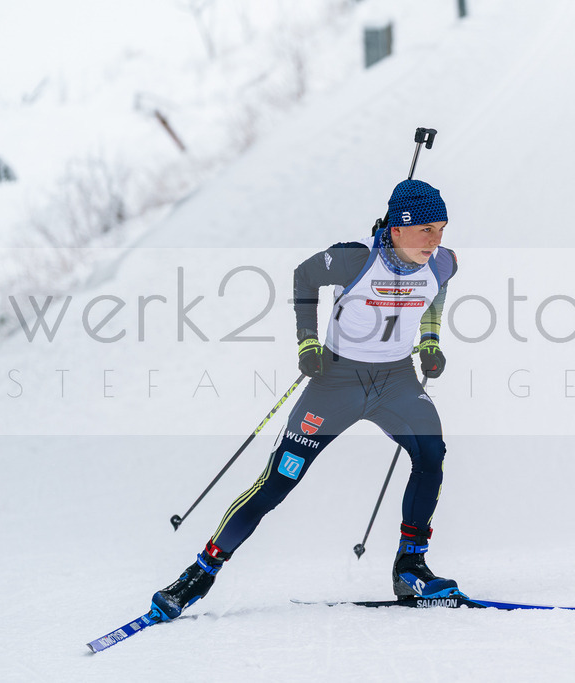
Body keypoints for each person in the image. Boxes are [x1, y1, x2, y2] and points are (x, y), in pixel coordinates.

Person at [150, 178, 459, 620]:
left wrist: (429, 341)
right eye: (426, 229)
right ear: (396, 228)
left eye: (442, 228)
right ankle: (200, 573)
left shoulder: (442, 263)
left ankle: (410, 567)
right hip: (336, 384)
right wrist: (307, 343)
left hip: (396, 382)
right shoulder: (355, 259)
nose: (437, 239)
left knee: (431, 452)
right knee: (280, 480)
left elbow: (437, 293)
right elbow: (305, 276)